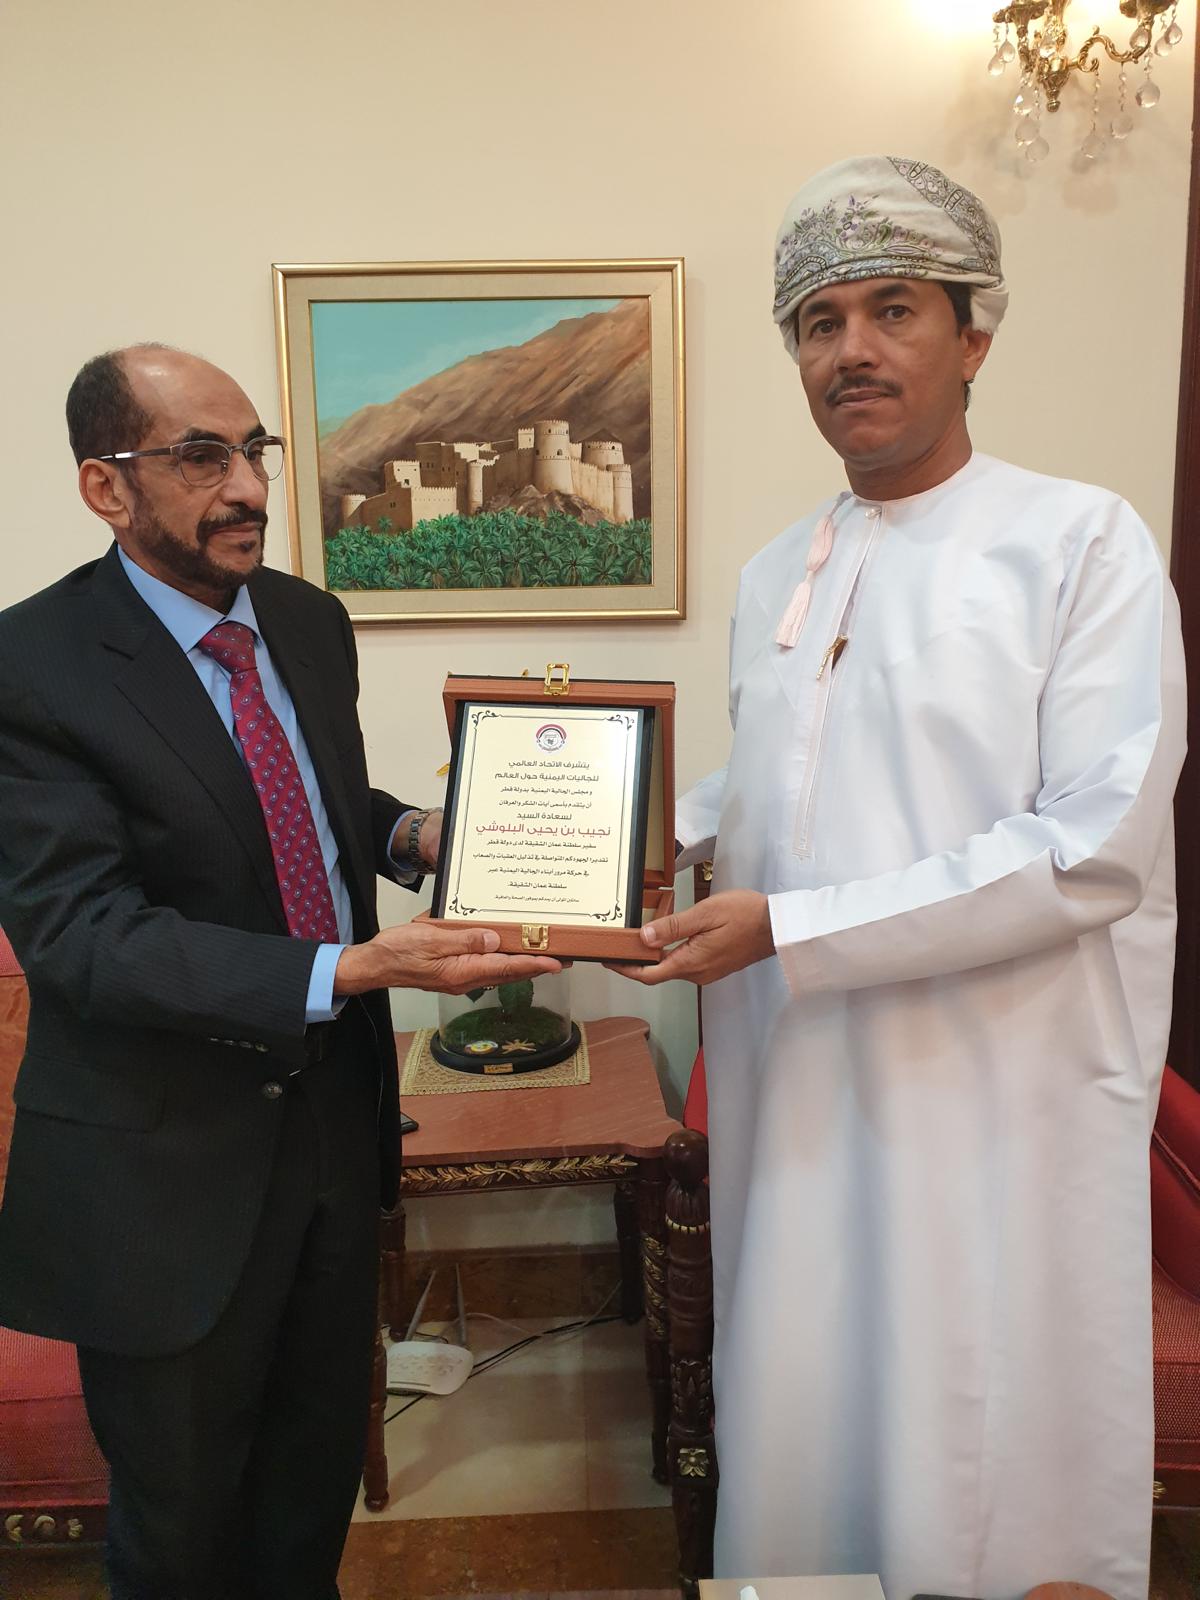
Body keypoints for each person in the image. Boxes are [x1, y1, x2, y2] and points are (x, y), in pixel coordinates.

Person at [614, 157, 1185, 1600]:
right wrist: (649, 839)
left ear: (973, 336)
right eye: (820, 322)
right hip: (799, 1083)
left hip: (989, 1094)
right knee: (803, 1398)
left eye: (893, 310)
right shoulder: (777, 570)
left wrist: (794, 925)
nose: (851, 350)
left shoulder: (1081, 541)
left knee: (973, 1426)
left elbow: (1092, 845)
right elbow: (779, 782)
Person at [0, 344, 560, 1600]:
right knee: (183, 1531)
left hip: (332, 1139)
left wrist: (419, 834)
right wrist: (347, 967)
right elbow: (85, 935)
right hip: (165, 1178)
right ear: (105, 486)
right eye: (202, 457)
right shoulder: (30, 665)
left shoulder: (306, 620)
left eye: (254, 450)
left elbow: (301, 802)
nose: (249, 486)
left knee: (310, 1496)